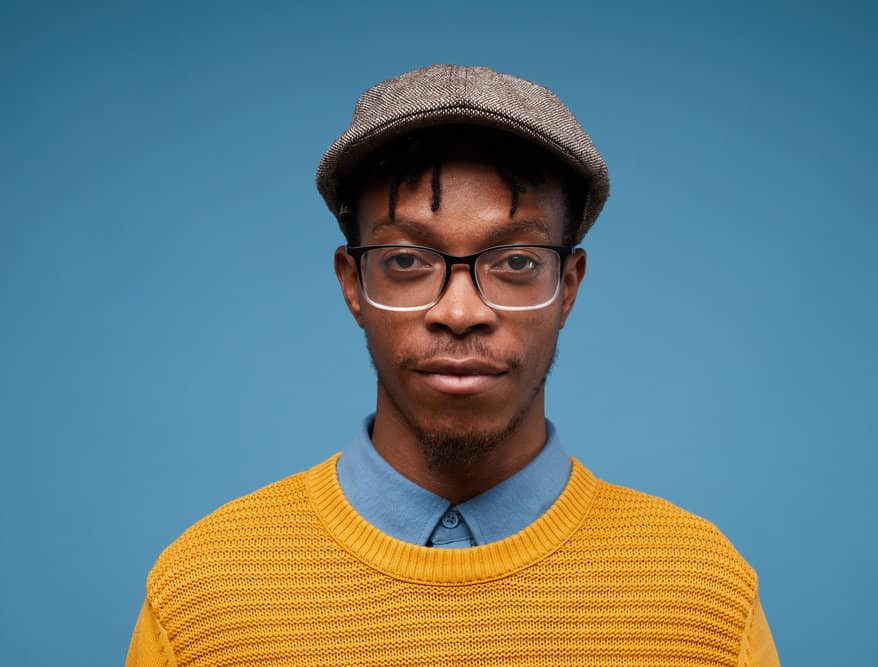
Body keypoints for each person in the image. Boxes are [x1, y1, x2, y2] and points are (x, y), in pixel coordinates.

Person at [127, 64, 780, 667]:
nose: (461, 311)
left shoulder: (703, 600)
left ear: (570, 284)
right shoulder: (202, 597)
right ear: (352, 283)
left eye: (517, 262)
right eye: (408, 261)